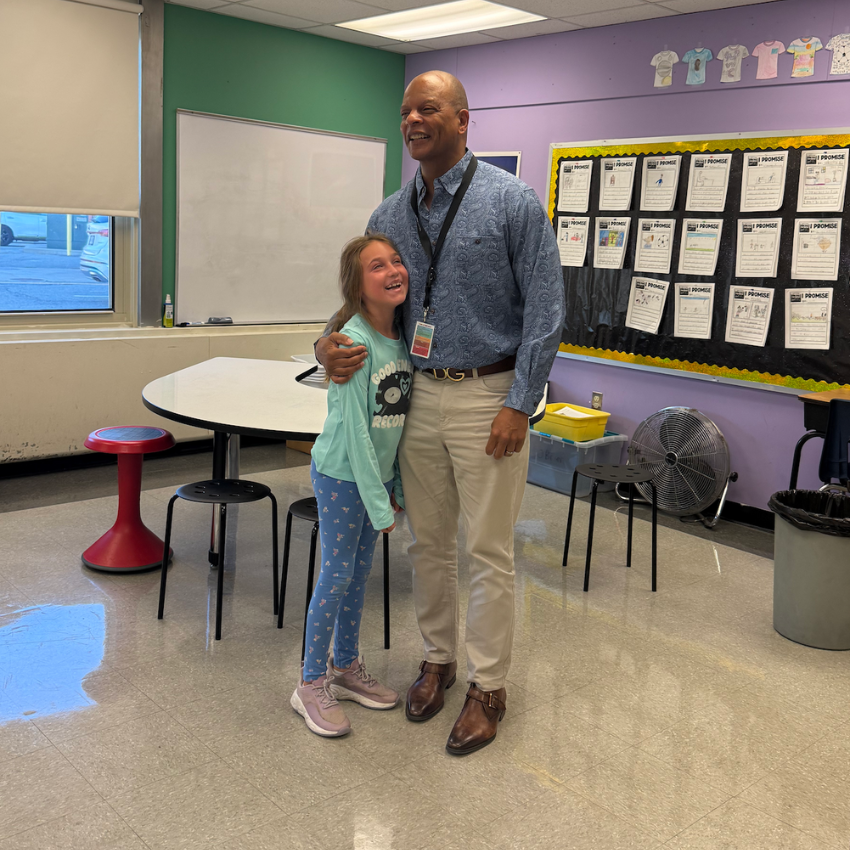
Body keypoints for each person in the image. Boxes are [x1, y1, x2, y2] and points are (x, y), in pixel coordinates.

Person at [316, 71, 565, 754]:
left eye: (427, 109)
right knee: (427, 543)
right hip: (415, 393)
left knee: (486, 550)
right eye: (405, 111)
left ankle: (489, 686)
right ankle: (438, 659)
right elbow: (359, 296)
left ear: (462, 119)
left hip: (492, 396)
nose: (412, 120)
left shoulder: (512, 203)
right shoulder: (389, 215)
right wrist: (325, 340)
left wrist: (521, 402)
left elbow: (546, 312)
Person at [291, 234, 412, 738]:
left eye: (397, 261)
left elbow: (400, 421)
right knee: (336, 575)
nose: (393, 271)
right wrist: (378, 500)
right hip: (344, 475)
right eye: (376, 266)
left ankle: (345, 665)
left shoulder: (401, 340)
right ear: (357, 287)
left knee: (359, 576)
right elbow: (359, 434)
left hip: (376, 477)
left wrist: (395, 484)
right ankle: (310, 682)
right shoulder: (353, 343)